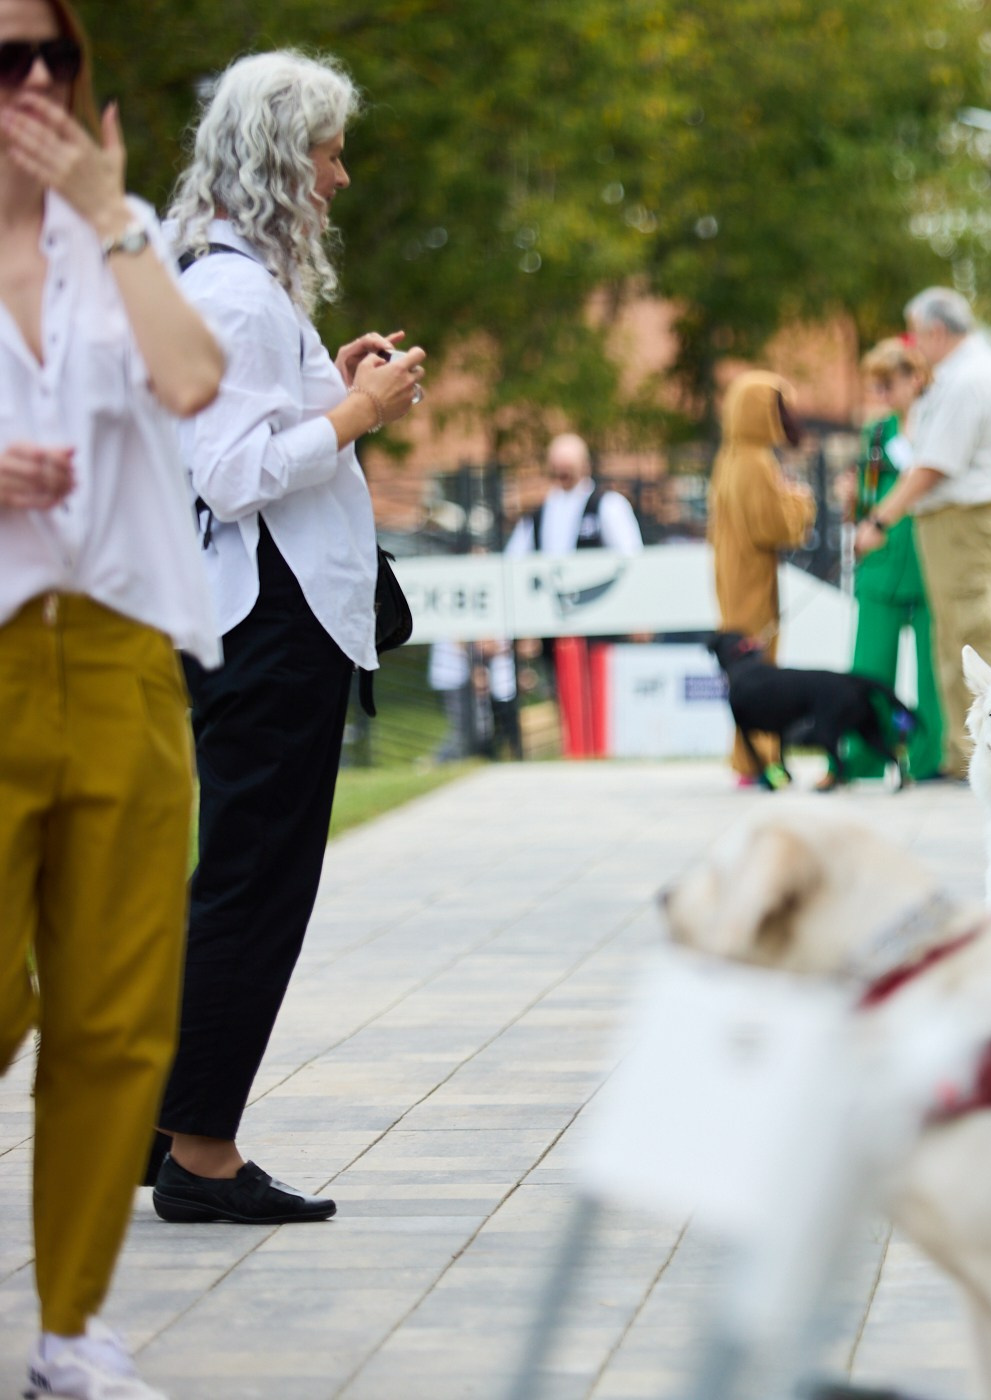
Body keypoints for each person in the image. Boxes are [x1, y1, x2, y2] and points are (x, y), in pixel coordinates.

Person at [154, 49, 427, 1228]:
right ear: (279, 158)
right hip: (269, 624)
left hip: (263, 614)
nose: (342, 174)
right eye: (327, 151)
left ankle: (165, 1124)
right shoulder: (232, 294)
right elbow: (229, 469)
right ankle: (201, 1150)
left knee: (238, 879)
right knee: (255, 885)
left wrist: (339, 383)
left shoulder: (233, 286)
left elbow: (261, 428)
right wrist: (361, 412)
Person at [0, 4, 225, 1391]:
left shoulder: (117, 234)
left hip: (130, 656)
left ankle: (68, 1333)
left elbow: (194, 379)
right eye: (3, 60)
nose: (32, 82)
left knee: (118, 1010)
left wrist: (109, 209)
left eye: (54, 59)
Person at [855, 287, 991, 778]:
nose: (915, 346)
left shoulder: (967, 377)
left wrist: (880, 519)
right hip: (956, 521)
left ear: (935, 330)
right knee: (956, 642)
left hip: (962, 520)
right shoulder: (966, 373)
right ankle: (965, 753)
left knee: (972, 637)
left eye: (917, 334)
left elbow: (932, 465)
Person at [839, 338, 944, 782]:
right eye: (875, 384)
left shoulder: (936, 424)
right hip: (879, 563)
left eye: (888, 383)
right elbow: (864, 500)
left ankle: (929, 760)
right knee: (867, 666)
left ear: (914, 377)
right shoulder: (875, 433)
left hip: (927, 559)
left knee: (933, 670)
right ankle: (861, 760)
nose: (881, 393)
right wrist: (848, 503)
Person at [504, 432, 642, 759]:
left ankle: (603, 749)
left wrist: (637, 615)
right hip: (555, 624)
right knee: (563, 693)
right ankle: (575, 750)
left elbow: (632, 560)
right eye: (557, 466)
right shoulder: (538, 515)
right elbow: (514, 566)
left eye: (568, 465)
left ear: (585, 465)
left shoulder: (607, 505)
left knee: (602, 695)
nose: (563, 473)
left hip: (602, 623)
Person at [709, 369, 817, 784]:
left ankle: (748, 758)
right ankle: (759, 761)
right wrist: (799, 501)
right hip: (752, 576)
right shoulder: (755, 462)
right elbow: (774, 528)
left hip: (733, 573)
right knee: (759, 670)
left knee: (745, 670)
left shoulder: (731, 457)